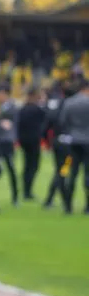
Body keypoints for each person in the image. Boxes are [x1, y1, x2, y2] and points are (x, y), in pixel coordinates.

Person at [57, 77, 89, 214]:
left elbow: (62, 121)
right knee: (87, 174)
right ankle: (87, 207)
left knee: (72, 172)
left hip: (73, 142)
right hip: (88, 142)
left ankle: (68, 206)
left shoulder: (69, 102)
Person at [16, 88, 47, 201]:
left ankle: (25, 190)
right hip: (33, 140)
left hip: (23, 140)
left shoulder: (22, 109)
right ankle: (27, 191)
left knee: (27, 165)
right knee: (33, 165)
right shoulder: (37, 109)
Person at [0, 94, 20, 206]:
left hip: (6, 142)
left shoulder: (11, 107)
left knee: (10, 169)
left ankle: (15, 197)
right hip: (0, 142)